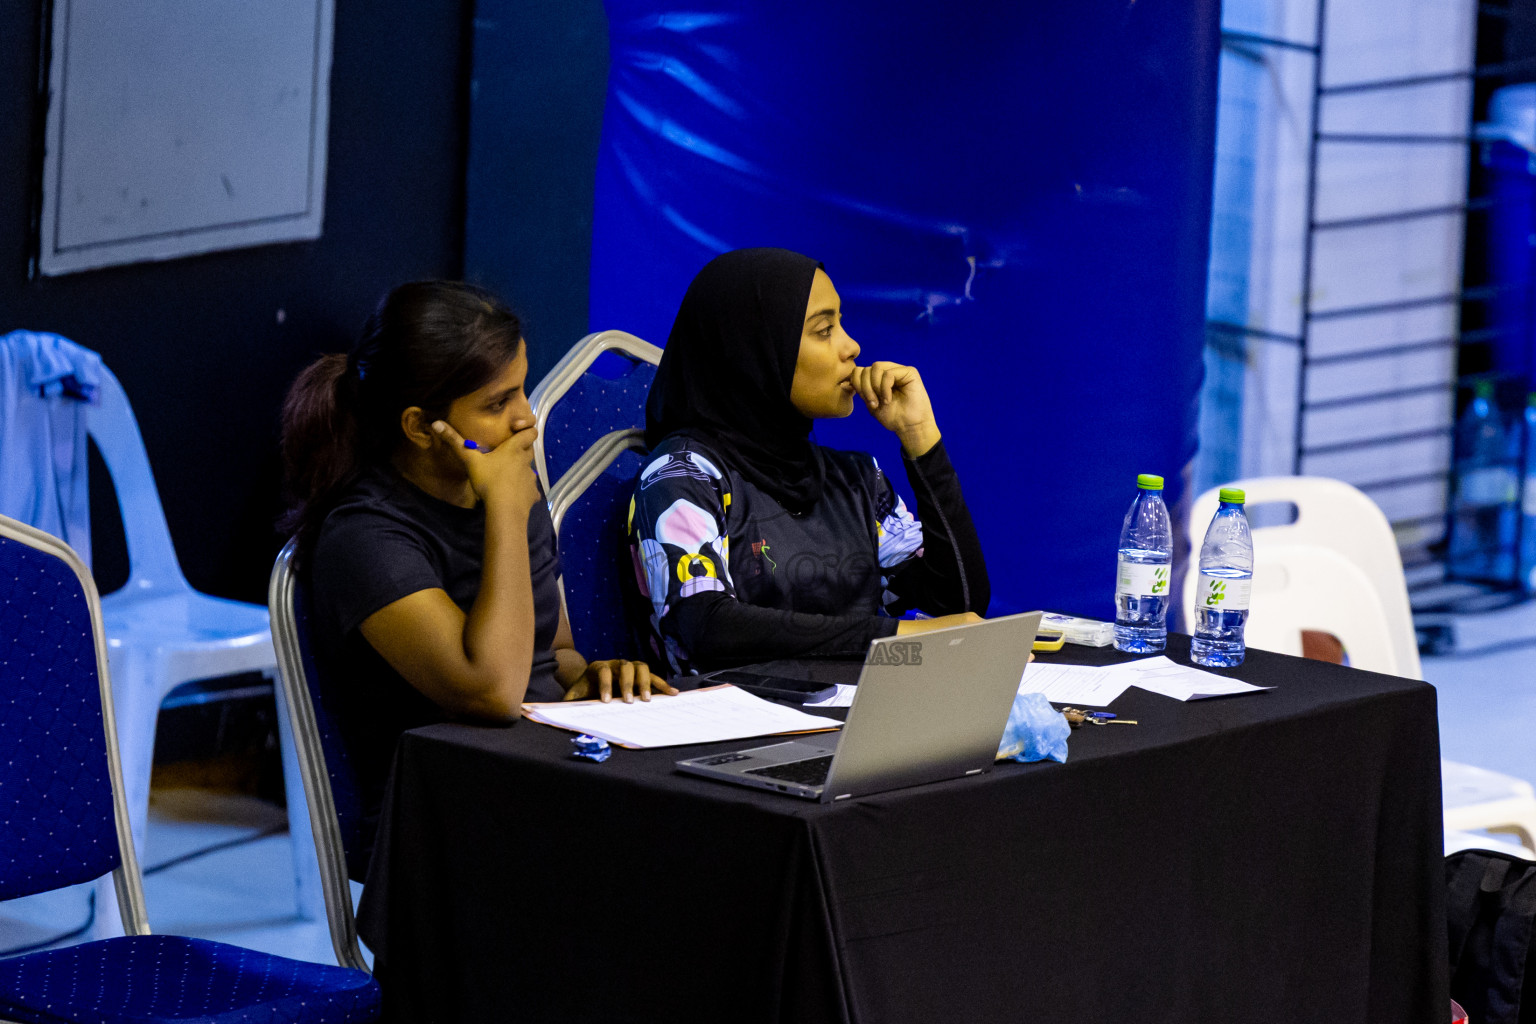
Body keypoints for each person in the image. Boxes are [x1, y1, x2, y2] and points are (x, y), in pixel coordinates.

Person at [280, 280, 670, 874]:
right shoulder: (363, 537)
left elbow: (553, 651)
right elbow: (491, 692)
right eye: (497, 404)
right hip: (445, 827)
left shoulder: (507, 488)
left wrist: (593, 675)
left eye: (521, 391)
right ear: (419, 426)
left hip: (537, 772)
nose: (526, 421)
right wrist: (508, 513)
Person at [629, 247, 990, 676]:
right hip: (729, 733)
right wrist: (894, 639)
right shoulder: (683, 474)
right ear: (756, 350)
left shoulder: (859, 480)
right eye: (824, 331)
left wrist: (920, 438)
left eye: (840, 325)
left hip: (851, 723)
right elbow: (707, 627)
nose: (851, 346)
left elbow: (960, 604)